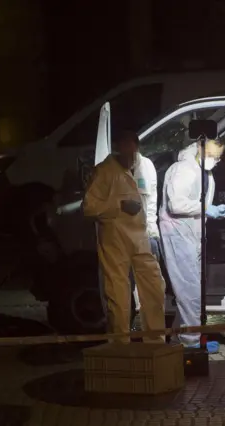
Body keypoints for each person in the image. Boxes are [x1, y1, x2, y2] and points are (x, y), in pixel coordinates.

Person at [82, 130, 167, 344]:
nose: (128, 153)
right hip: (114, 239)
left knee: (154, 287)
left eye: (131, 148)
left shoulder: (144, 166)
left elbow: (151, 199)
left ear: (137, 147)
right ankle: (120, 345)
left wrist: (151, 229)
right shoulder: (104, 171)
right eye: (123, 147)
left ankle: (155, 341)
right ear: (117, 147)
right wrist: (118, 206)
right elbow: (89, 207)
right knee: (118, 294)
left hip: (141, 237)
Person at [159, 138, 225, 348]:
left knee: (189, 290)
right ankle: (191, 343)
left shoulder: (203, 171)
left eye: (218, 158)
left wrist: (211, 207)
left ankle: (178, 338)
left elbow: (197, 201)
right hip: (178, 235)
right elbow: (177, 204)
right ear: (200, 149)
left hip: (191, 236)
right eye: (212, 156)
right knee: (190, 292)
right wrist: (207, 208)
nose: (215, 161)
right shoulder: (183, 170)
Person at [126, 134, 162, 326]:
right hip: (129, 236)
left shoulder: (144, 167)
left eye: (128, 145)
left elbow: (145, 202)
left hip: (146, 234)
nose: (125, 150)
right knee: (128, 286)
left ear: (136, 146)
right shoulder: (121, 167)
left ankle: (153, 333)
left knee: (149, 287)